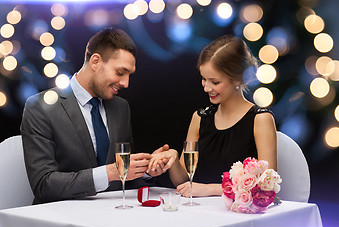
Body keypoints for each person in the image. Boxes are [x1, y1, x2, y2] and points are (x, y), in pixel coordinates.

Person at [21, 28, 166, 204]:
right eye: (120, 73)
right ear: (96, 61)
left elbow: (123, 179)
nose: (126, 83)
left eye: (129, 75)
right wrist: (109, 172)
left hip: (114, 215)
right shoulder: (40, 107)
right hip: (61, 220)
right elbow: (43, 185)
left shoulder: (121, 107)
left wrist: (146, 169)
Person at [147, 35, 277, 198]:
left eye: (215, 82)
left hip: (239, 216)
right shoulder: (200, 117)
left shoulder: (260, 119)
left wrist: (210, 189)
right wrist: (172, 158)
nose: (206, 88)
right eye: (203, 79)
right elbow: (183, 181)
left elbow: (267, 184)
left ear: (237, 78)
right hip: (199, 212)